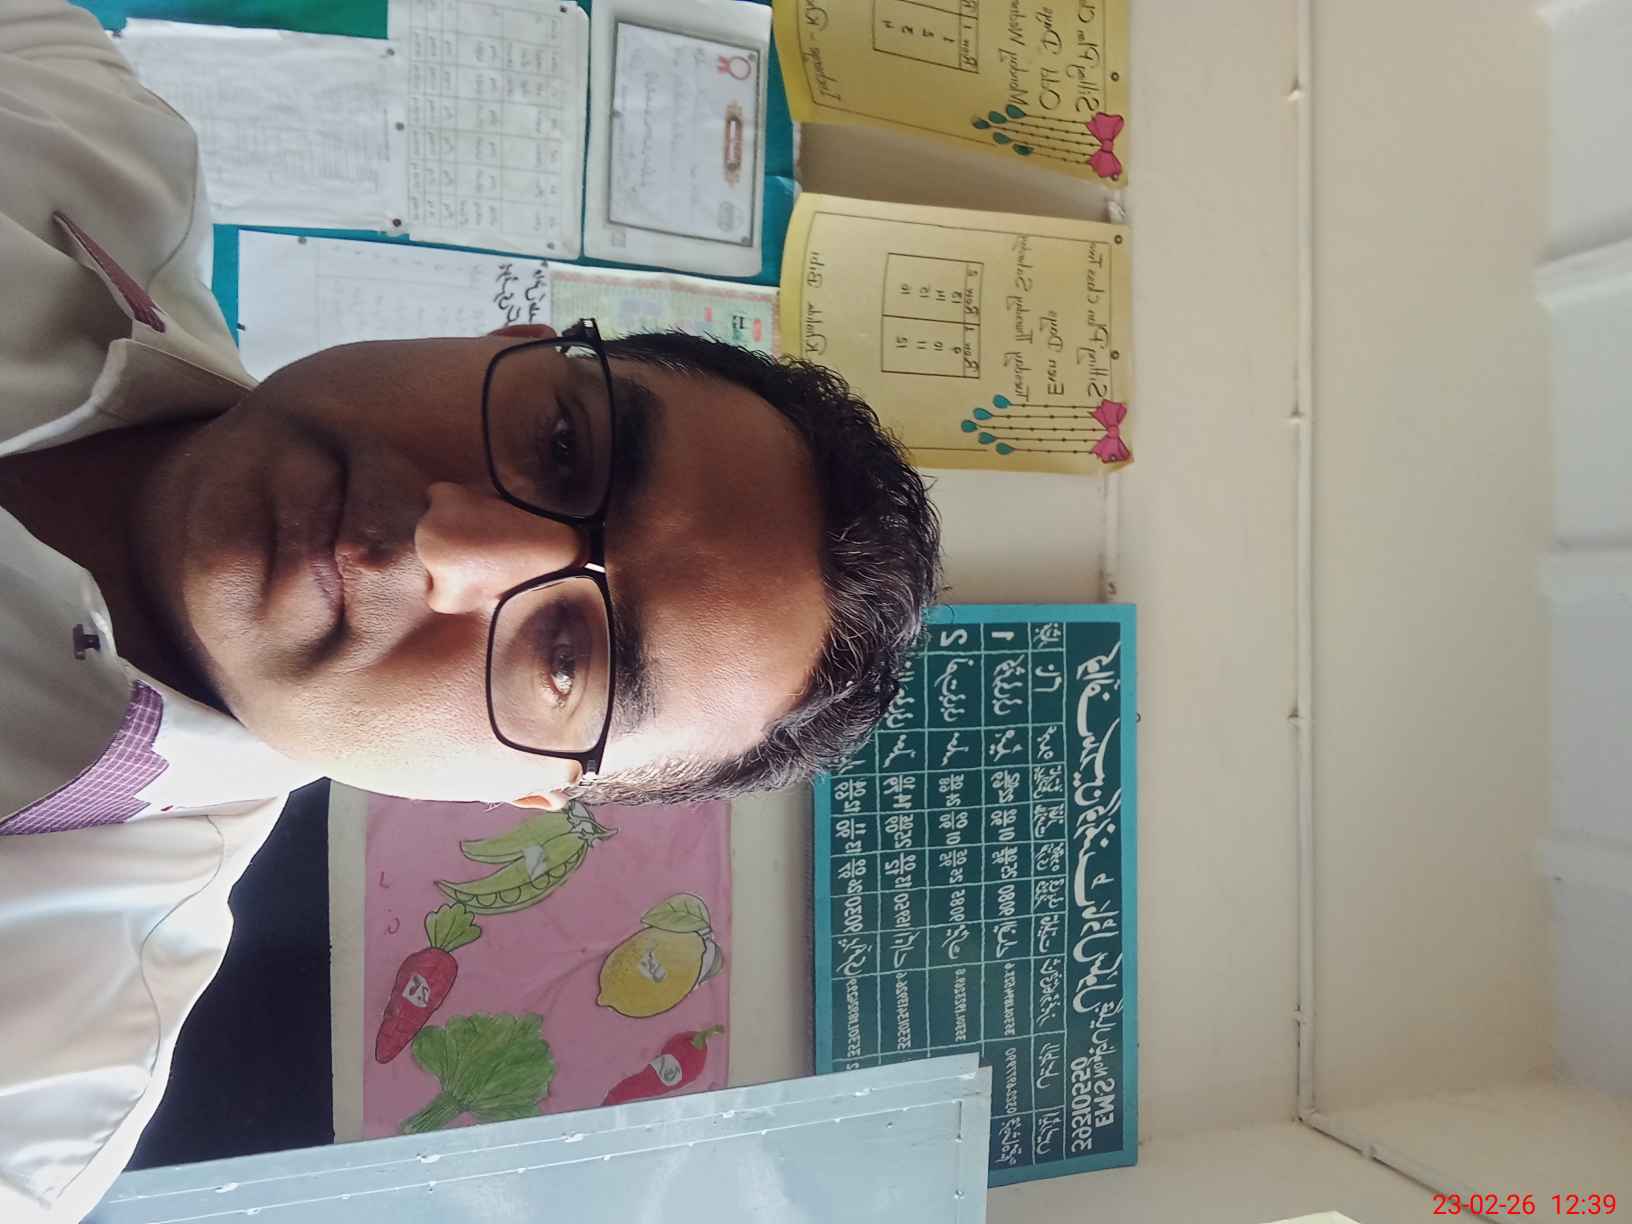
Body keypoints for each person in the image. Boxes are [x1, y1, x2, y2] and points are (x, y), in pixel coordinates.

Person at [0, 2, 942, 1218]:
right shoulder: (77, 120)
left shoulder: (40, 1067)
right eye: (562, 446)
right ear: (511, 337)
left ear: (519, 794)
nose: (445, 541)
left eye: (570, 654)